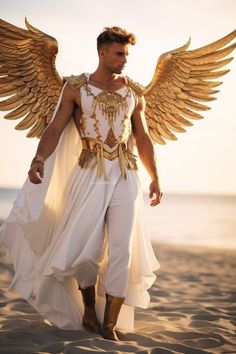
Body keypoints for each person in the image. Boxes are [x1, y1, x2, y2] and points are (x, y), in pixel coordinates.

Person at [1, 26, 162, 341]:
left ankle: (110, 325)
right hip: (88, 172)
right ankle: (88, 306)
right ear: (102, 53)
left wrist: (155, 176)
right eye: (119, 54)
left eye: (127, 54)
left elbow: (142, 136)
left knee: (121, 249)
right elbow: (55, 128)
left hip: (126, 175)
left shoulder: (134, 92)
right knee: (86, 249)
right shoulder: (75, 87)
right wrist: (38, 160)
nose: (124, 60)